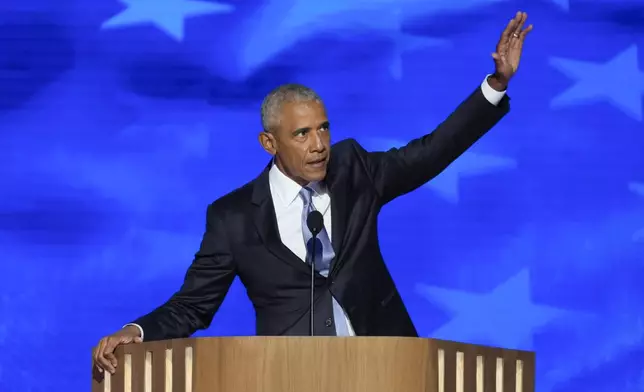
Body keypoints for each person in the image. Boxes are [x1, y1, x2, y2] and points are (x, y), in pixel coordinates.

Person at [93, 11, 533, 374]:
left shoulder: (355, 170)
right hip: (289, 376)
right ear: (270, 143)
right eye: (302, 134)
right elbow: (193, 306)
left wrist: (495, 84)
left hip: (389, 368)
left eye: (323, 128)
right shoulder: (233, 218)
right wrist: (138, 331)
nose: (319, 144)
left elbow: (431, 152)